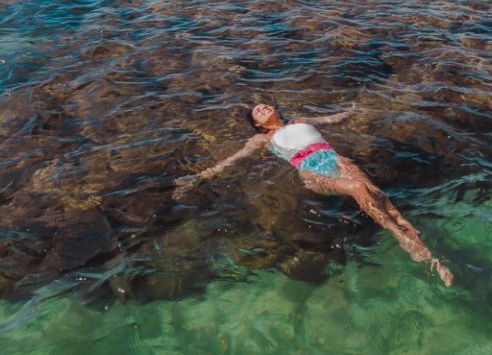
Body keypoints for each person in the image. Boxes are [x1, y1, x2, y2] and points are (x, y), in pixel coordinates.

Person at [173, 103, 453, 286]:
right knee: (359, 190)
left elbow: (334, 117)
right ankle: (415, 250)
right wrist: (199, 178)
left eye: (264, 104)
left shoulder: (300, 119)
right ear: (257, 125)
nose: (263, 107)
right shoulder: (262, 139)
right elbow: (231, 161)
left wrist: (356, 109)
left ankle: (424, 250)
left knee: (381, 198)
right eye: (258, 111)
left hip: (339, 161)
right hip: (313, 173)